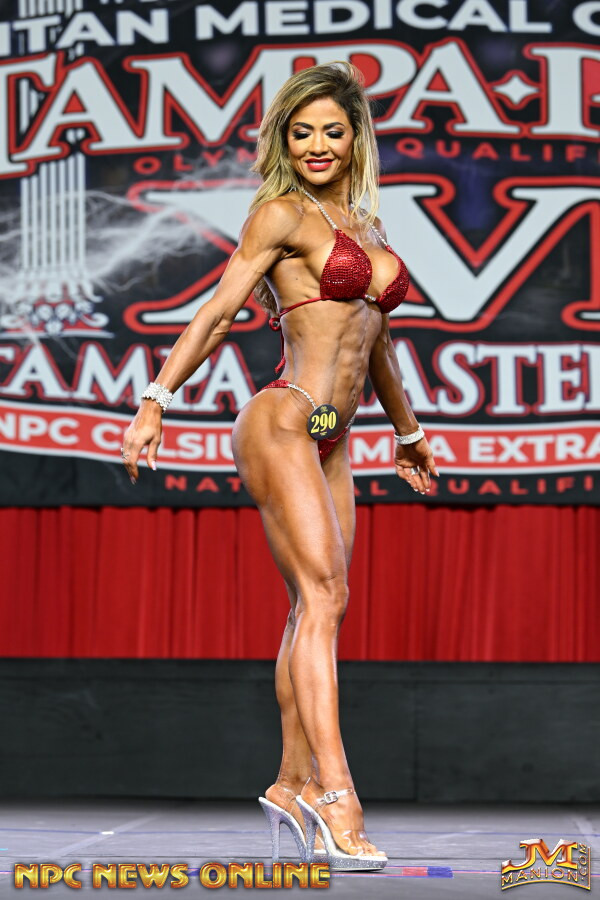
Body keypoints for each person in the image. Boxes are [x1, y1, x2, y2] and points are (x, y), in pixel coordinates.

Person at [121, 61, 439, 871]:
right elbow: (219, 311)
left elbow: (376, 344)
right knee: (324, 596)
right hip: (285, 418)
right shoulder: (280, 214)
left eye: (333, 130)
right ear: (284, 142)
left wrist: (407, 432)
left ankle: (291, 783)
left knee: (317, 606)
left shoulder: (367, 226)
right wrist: (155, 398)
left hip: (333, 432)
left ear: (356, 138)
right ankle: (336, 793)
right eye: (302, 133)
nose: (318, 145)